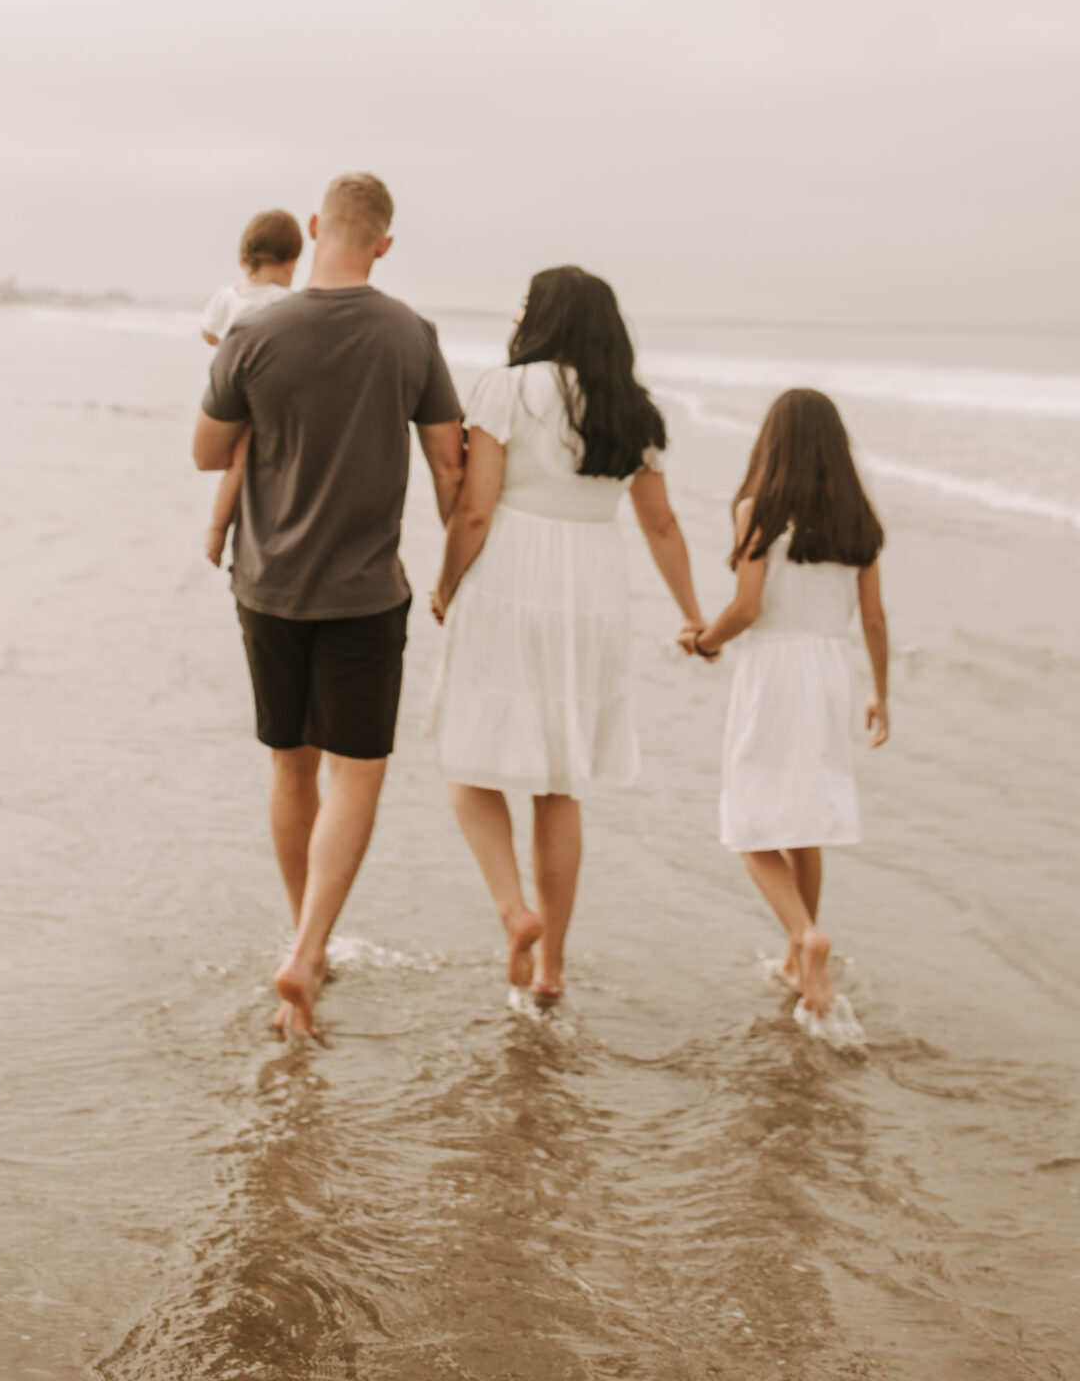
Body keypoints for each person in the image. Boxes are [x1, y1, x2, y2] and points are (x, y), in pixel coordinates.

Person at [193, 173, 464, 1038]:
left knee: (290, 764)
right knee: (356, 772)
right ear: (383, 243)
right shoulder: (410, 334)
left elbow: (207, 452)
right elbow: (450, 470)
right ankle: (311, 947)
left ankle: (301, 934)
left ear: (315, 229)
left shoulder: (257, 329)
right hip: (362, 593)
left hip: (266, 586)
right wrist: (467, 565)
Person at [428, 266, 706, 1002]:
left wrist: (446, 580)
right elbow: (661, 524)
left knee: (468, 758)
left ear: (542, 317)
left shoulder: (506, 387)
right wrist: (691, 612)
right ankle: (551, 969)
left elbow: (476, 509)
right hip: (592, 590)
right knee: (561, 782)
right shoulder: (633, 409)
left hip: (510, 578)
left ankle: (513, 910)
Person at [682, 387, 890, 1017]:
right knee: (805, 818)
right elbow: (875, 619)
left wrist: (702, 641)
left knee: (749, 820)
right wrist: (882, 692)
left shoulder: (758, 510)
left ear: (773, 444)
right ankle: (801, 961)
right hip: (831, 671)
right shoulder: (857, 518)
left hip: (773, 669)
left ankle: (805, 936)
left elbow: (747, 608)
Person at [200, 210, 304, 569]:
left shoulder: (226, 296)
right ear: (292, 261)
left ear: (245, 257)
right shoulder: (289, 303)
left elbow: (210, 334)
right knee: (246, 462)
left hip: (227, 393)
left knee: (238, 466)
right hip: (266, 399)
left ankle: (217, 528)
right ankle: (217, 529)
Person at [200, 209, 304, 347]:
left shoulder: (224, 296)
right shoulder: (288, 299)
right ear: (291, 263)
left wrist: (223, 346)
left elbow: (207, 332)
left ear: (243, 261)